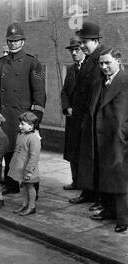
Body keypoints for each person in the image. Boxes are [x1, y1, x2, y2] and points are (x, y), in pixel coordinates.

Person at [0, 23, 46, 196]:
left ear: (23, 41)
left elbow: (40, 94)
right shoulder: (0, 64)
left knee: (27, 153)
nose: (13, 44)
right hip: (4, 117)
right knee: (7, 151)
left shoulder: (32, 63)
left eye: (17, 40)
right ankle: (11, 184)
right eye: (10, 41)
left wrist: (34, 121)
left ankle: (33, 188)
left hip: (23, 119)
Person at [87, 48, 128, 233]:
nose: (104, 66)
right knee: (106, 176)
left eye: (107, 63)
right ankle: (109, 210)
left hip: (119, 140)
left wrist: (123, 133)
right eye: (101, 63)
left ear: (118, 61)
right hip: (102, 138)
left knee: (120, 178)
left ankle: (123, 218)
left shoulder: (125, 81)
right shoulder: (99, 83)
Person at [69, 22, 105, 211]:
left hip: (93, 118)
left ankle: (99, 198)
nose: (81, 46)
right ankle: (88, 192)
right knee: (85, 158)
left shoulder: (101, 58)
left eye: (84, 42)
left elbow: (99, 93)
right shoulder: (91, 57)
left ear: (96, 40)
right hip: (83, 117)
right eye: (81, 42)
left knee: (96, 159)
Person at [61, 36, 85, 191]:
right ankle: (75, 181)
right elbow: (64, 92)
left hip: (84, 119)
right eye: (72, 50)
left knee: (83, 153)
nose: (74, 53)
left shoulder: (91, 68)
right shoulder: (70, 69)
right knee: (72, 151)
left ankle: (85, 186)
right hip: (72, 118)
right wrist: (67, 107)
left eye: (77, 50)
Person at [9, 112, 41, 216]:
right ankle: (24, 203)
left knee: (30, 186)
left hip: (28, 169)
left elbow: (34, 156)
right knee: (23, 186)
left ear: (31, 126)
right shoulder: (21, 134)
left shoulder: (34, 138)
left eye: (22, 124)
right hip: (21, 167)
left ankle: (32, 207)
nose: (19, 126)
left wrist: (29, 171)